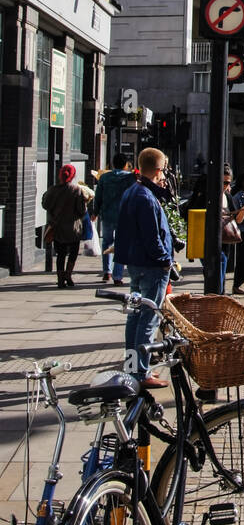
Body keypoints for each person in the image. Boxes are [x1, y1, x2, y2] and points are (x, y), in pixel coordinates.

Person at [114, 148, 174, 388]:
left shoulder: (132, 191)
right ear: (158, 170)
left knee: (134, 318)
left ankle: (133, 368)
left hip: (136, 264)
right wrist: (165, 260)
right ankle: (141, 373)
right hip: (152, 267)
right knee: (148, 319)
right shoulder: (146, 197)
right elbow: (153, 238)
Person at [42, 165, 88, 289]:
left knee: (60, 254)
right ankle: (68, 274)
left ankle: (60, 279)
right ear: (72, 176)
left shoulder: (52, 190)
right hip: (73, 228)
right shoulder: (77, 190)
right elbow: (81, 211)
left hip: (58, 227)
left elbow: (45, 205)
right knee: (73, 253)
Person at [91, 152, 133, 283]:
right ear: (126, 165)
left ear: (113, 164)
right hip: (124, 216)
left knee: (107, 242)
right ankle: (118, 275)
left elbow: (98, 196)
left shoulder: (104, 178)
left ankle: (106, 271)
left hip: (107, 214)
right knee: (121, 245)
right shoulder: (130, 178)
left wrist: (95, 212)